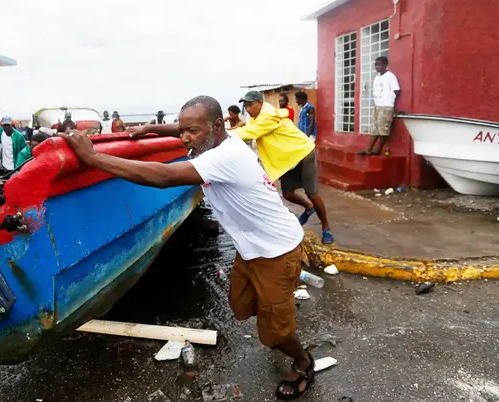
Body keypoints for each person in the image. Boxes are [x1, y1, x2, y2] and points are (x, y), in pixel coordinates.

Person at [67, 95, 316, 399]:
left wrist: (93, 158)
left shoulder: (225, 157)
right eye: (183, 131)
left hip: (278, 251)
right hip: (251, 248)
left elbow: (163, 177)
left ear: (217, 125)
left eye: (192, 133)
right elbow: (183, 128)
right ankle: (276, 319)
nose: (184, 139)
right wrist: (150, 128)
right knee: (240, 308)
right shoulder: (221, 139)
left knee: (274, 333)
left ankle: (303, 361)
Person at [237, 90, 333, 244]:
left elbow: (248, 133)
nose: (248, 109)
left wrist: (222, 134)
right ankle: (308, 207)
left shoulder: (267, 116)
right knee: (288, 194)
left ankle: (326, 228)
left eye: (250, 105)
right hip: (289, 157)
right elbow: (247, 129)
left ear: (260, 103)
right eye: (245, 106)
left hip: (303, 152)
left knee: (312, 193)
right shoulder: (256, 118)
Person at [359, 56, 400, 155]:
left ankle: (377, 150)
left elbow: (397, 91)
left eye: (379, 64)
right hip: (377, 106)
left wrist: (389, 102)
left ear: (386, 65)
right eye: (376, 64)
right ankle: (368, 149)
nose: (377, 66)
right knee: (375, 128)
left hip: (386, 107)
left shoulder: (390, 76)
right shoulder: (377, 78)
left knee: (383, 129)